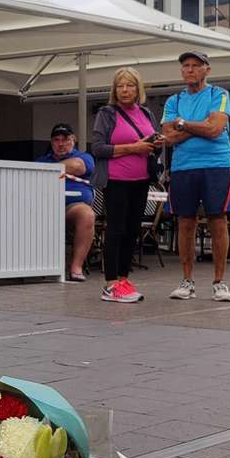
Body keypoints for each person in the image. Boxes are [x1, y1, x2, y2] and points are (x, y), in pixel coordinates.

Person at [160, 51, 230, 302]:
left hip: (216, 165)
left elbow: (215, 129)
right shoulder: (173, 100)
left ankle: (220, 282)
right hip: (184, 167)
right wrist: (198, 125)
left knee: (218, 220)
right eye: (185, 66)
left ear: (207, 70)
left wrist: (183, 124)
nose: (190, 70)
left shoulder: (219, 94)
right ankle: (187, 281)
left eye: (196, 65)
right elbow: (168, 137)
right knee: (185, 222)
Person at [90, 67, 161, 303]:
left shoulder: (146, 113)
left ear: (138, 88)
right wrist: (133, 148)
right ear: (114, 90)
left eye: (130, 85)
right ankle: (110, 284)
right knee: (116, 229)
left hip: (141, 181)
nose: (124, 90)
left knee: (132, 230)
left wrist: (155, 144)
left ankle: (123, 278)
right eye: (120, 85)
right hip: (116, 180)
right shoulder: (107, 114)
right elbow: (97, 148)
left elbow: (148, 143)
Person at [38, 123, 96, 282]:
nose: (61, 144)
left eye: (65, 139)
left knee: (86, 214)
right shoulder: (41, 160)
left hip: (71, 207)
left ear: (74, 140)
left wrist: (44, 169)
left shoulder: (85, 157)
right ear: (51, 143)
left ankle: (76, 267)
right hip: (43, 208)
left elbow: (77, 167)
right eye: (56, 140)